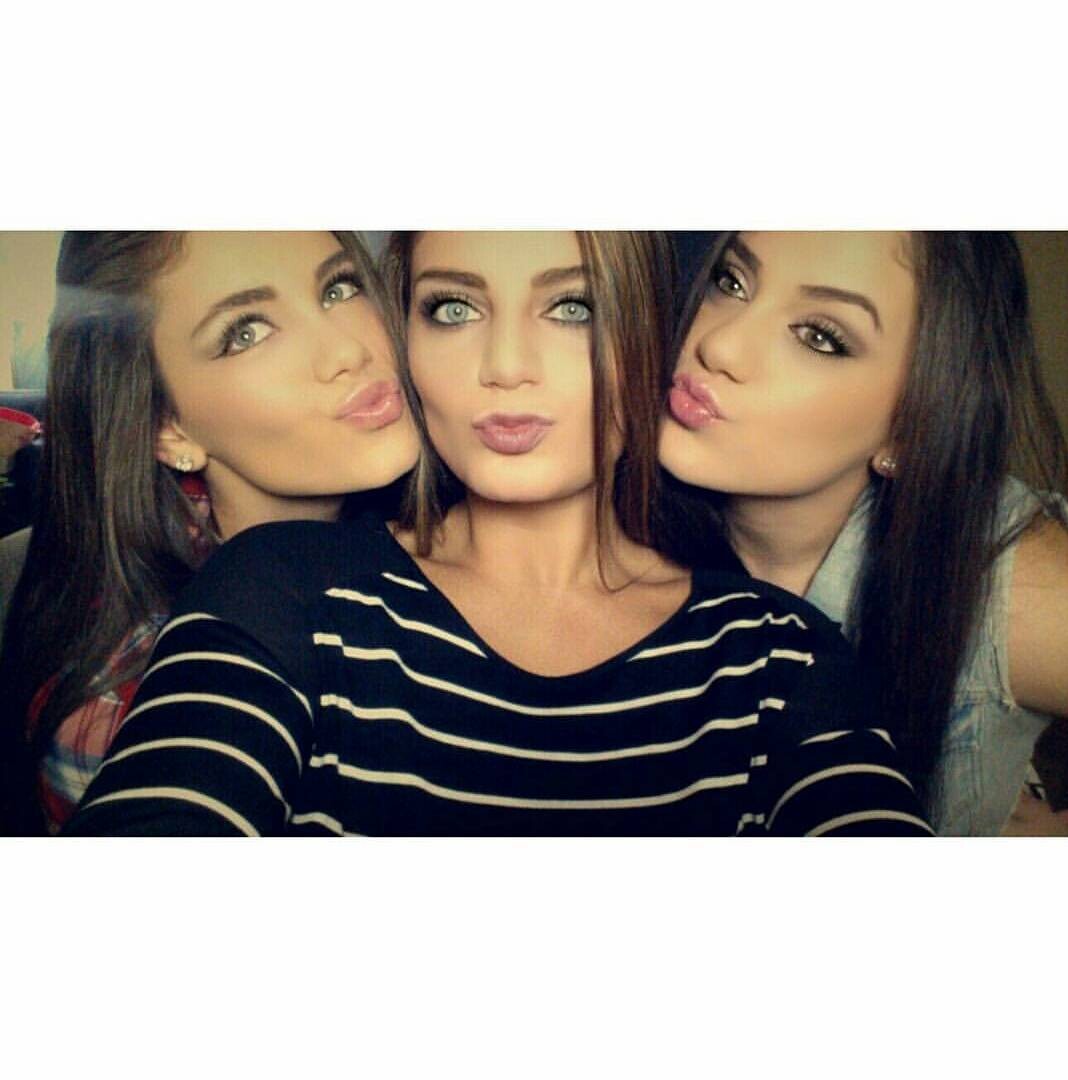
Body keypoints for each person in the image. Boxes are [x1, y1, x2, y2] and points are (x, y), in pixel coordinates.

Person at [64, 230, 931, 837]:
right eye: (451, 309)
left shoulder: (777, 651)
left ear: (649, 329)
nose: (506, 366)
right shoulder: (282, 589)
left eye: (573, 307)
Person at [658, 231, 1068, 835]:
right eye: (731, 281)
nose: (717, 343)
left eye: (819, 337)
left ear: (910, 429)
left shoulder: (999, 580)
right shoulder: (592, 498)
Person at [0, 231, 418, 834]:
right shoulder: (128, 706)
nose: (347, 350)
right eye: (246, 332)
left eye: (339, 287)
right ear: (169, 428)